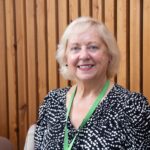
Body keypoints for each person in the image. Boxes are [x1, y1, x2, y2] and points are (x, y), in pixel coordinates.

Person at [33, 16, 150, 149]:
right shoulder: (52, 102)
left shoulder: (132, 106)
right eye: (75, 48)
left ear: (109, 56)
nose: (83, 56)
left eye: (93, 47)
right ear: (66, 57)